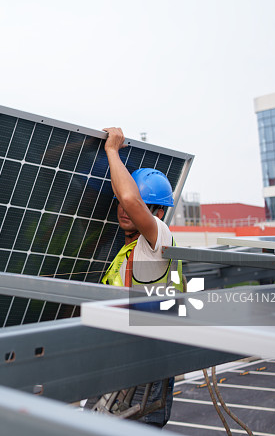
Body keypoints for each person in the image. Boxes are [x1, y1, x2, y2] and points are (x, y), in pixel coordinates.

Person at [97, 126, 184, 427]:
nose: (125, 209)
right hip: (124, 359)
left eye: (138, 205)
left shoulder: (159, 238)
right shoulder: (128, 249)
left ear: (157, 213)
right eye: (120, 203)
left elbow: (130, 199)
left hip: (148, 366)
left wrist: (112, 151)